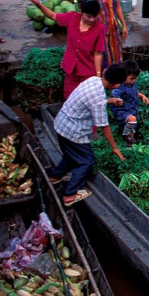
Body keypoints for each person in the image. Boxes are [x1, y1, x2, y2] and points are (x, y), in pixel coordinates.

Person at [49, 64, 127, 207]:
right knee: (86, 160)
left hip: (61, 124)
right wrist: (115, 148)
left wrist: (110, 101)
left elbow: (93, 100)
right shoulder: (98, 98)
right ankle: (70, 195)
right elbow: (104, 126)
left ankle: (55, 176)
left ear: (104, 72)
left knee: (71, 155)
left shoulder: (93, 80)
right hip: (73, 131)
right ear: (117, 85)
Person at [27, 0, 105, 98]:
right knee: (69, 98)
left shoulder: (99, 28)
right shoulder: (72, 18)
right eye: (88, 16)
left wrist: (98, 75)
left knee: (86, 100)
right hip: (70, 69)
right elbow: (53, 16)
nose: (92, 19)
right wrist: (38, 4)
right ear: (81, 12)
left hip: (87, 72)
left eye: (95, 16)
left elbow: (98, 53)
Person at [84, 0, 127, 68]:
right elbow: (89, 14)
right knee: (103, 53)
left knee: (116, 52)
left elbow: (117, 7)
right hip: (99, 27)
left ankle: (117, 78)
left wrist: (124, 25)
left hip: (114, 26)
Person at [110, 60, 149, 146]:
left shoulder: (133, 84)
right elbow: (114, 95)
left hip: (132, 110)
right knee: (132, 120)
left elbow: (135, 93)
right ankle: (125, 136)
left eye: (135, 78)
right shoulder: (119, 86)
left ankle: (129, 144)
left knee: (132, 128)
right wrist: (116, 100)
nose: (134, 80)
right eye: (132, 78)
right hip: (122, 111)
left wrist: (142, 96)